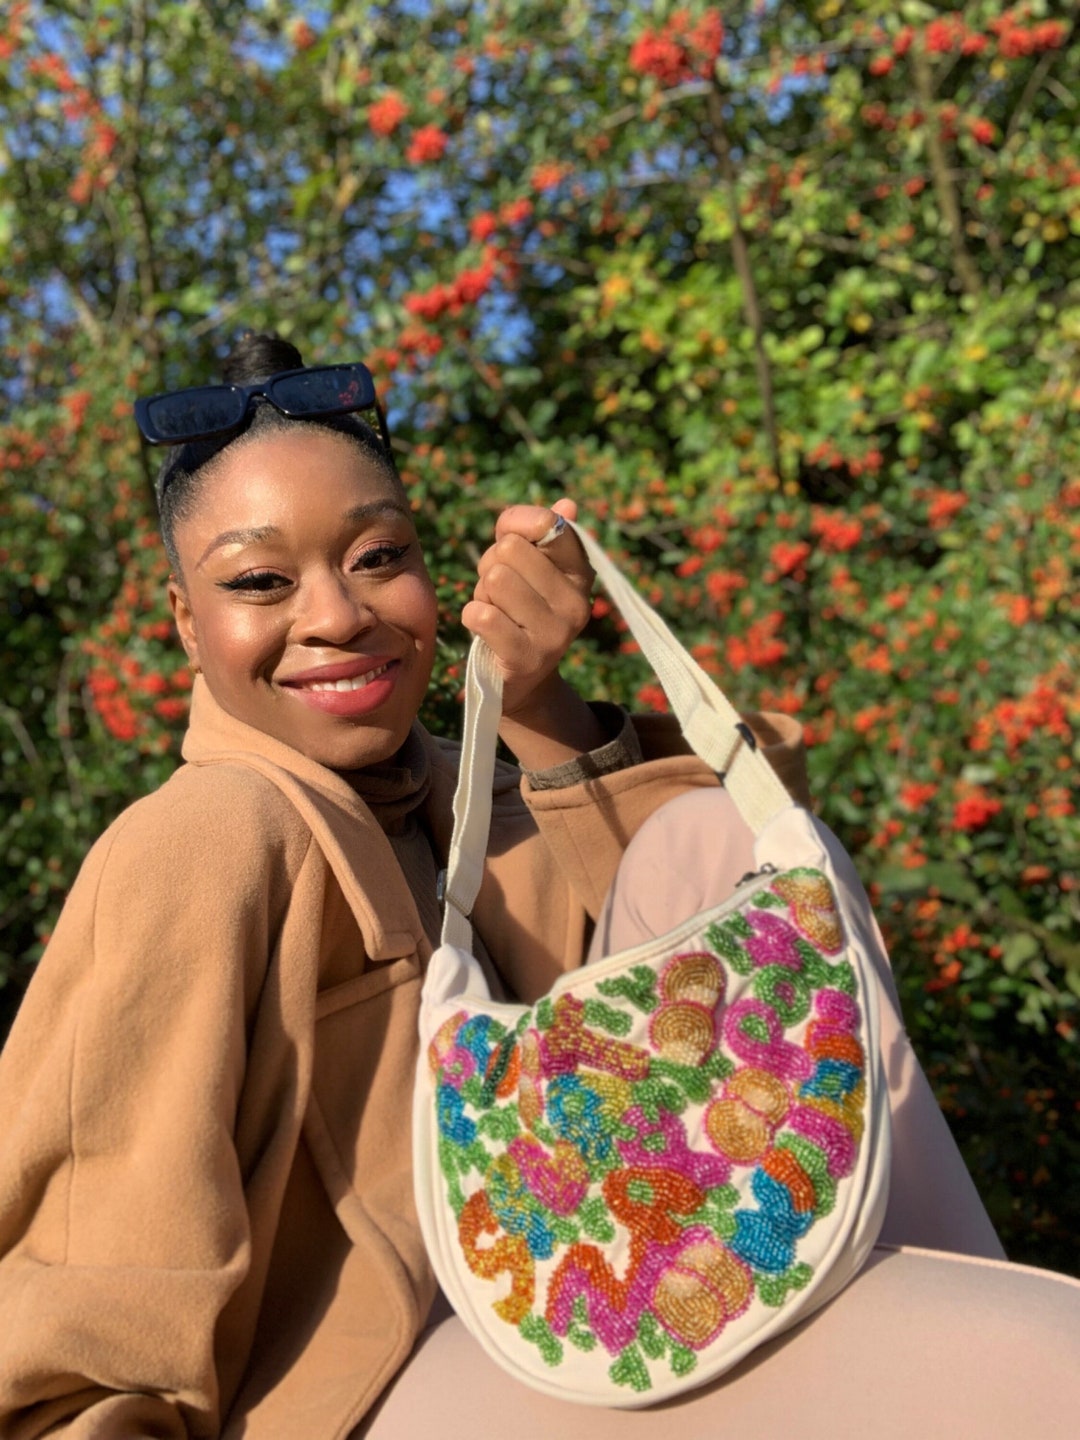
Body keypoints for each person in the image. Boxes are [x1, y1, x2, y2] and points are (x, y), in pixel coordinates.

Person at [3, 333, 1078, 1440]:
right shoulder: (205, 837)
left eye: (380, 555)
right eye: (260, 581)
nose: (337, 613)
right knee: (1048, 1370)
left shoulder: (454, 811)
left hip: (584, 1281)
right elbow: (88, 1289)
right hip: (354, 1393)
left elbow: (685, 995)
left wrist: (540, 702)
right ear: (186, 621)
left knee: (719, 838)